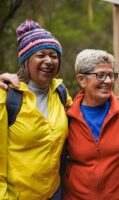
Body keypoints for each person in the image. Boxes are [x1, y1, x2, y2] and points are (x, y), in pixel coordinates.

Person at [0, 19, 72, 199]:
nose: (49, 61)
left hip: (54, 192)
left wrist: (117, 101)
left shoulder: (60, 92)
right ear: (26, 60)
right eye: (41, 55)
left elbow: (84, 109)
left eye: (54, 56)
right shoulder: (7, 96)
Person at [62, 49, 119, 199]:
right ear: (82, 79)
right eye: (101, 75)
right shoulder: (68, 117)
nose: (108, 81)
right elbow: (58, 163)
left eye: (111, 75)